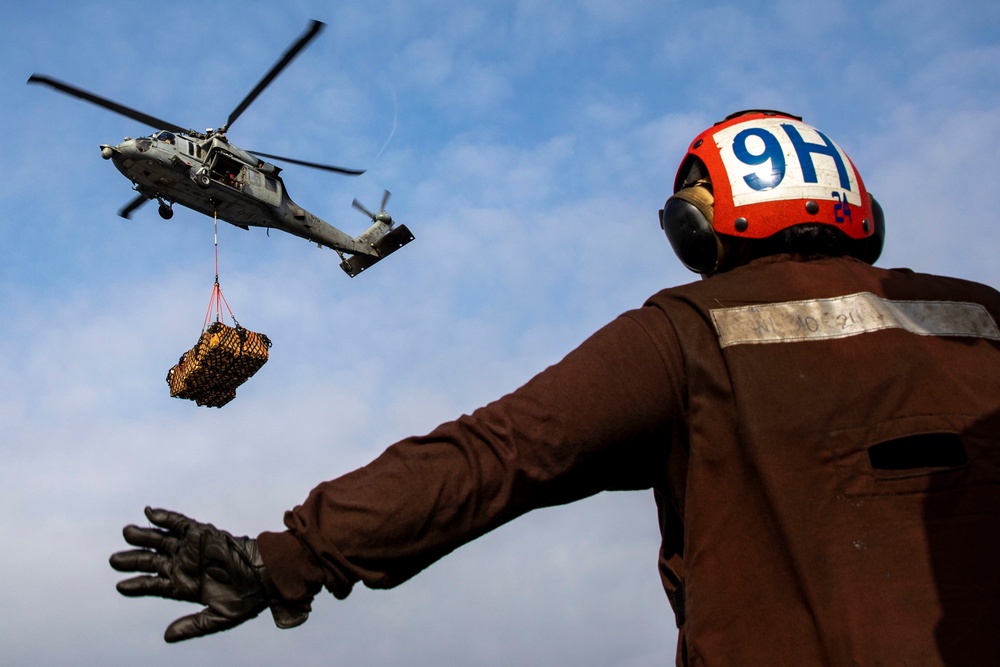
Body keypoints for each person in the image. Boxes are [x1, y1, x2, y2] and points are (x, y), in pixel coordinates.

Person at [111, 110, 1000, 665]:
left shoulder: (689, 333)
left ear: (699, 224)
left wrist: (284, 558)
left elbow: (494, 454)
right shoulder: (984, 322)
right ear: (858, 210)